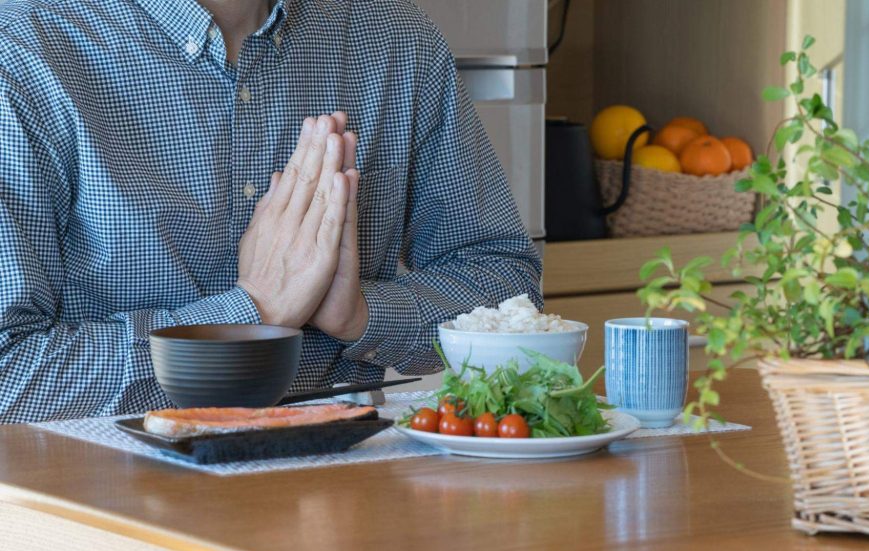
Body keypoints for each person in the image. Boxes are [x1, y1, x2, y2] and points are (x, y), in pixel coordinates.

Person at [0, 0, 542, 423]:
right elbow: (8, 375)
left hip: (347, 494)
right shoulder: (23, 49)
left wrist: (362, 315)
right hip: (109, 512)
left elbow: (506, 286)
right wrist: (252, 316)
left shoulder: (398, 39)